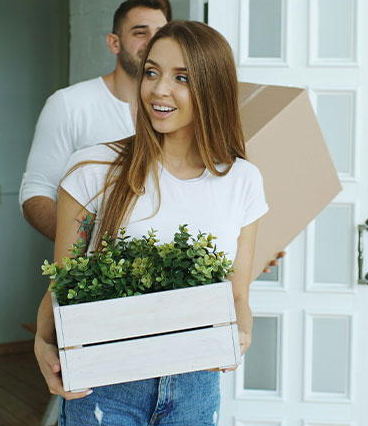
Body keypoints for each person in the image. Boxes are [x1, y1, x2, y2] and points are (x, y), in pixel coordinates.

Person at [35, 21, 270, 425]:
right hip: (105, 383)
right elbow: (63, 283)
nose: (159, 90)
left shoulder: (242, 180)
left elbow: (237, 295)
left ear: (212, 88)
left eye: (182, 77)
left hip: (196, 385)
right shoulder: (94, 169)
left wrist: (241, 335)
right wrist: (42, 344)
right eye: (152, 72)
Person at [19, 0, 169, 240]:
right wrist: (86, 253)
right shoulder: (69, 104)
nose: (153, 42)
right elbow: (37, 193)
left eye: (161, 34)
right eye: (140, 33)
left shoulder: (177, 110)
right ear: (114, 43)